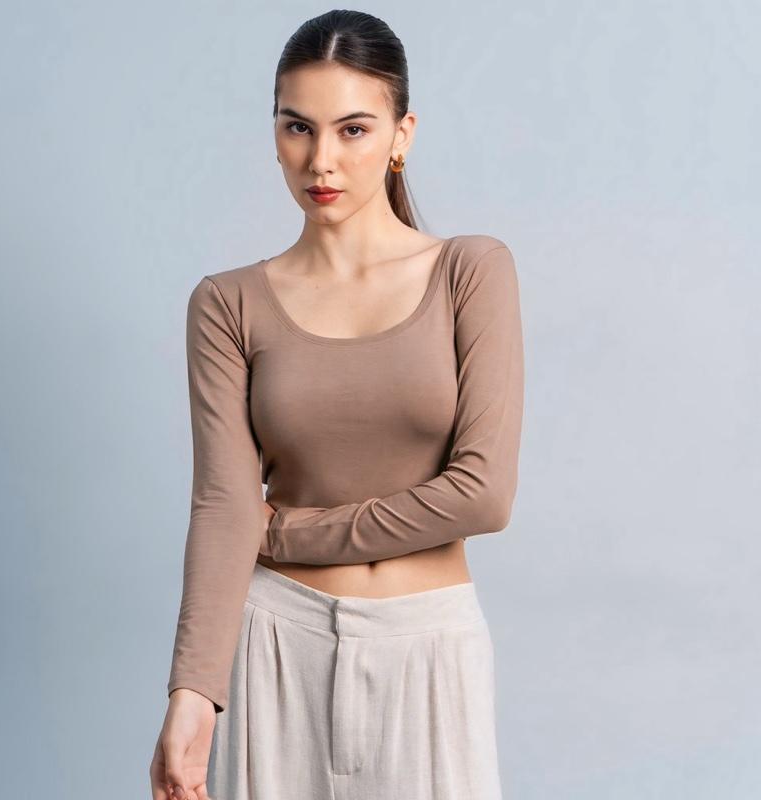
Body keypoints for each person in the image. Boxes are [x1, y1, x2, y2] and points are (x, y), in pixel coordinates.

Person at [149, 9, 524, 800]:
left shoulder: (469, 272)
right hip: (273, 642)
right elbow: (223, 505)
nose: (321, 160)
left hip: (428, 645)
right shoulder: (227, 303)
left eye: (353, 129)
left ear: (401, 135)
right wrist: (193, 692)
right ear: (275, 134)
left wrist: (287, 532)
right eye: (298, 128)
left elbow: (483, 494)